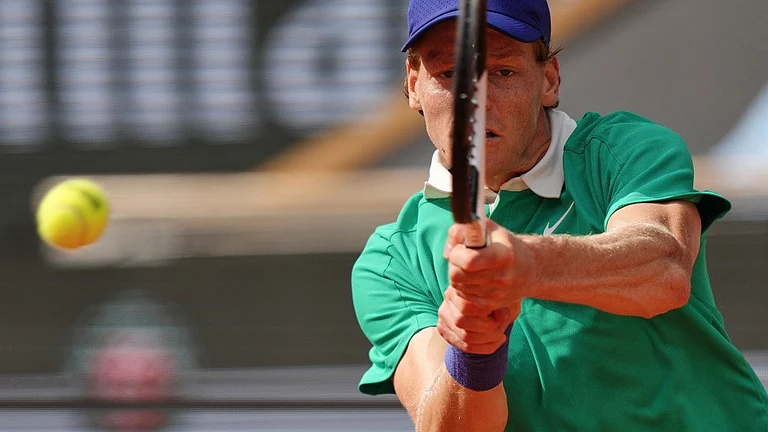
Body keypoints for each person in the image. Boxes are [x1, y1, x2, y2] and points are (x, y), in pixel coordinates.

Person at [350, 0, 768, 430]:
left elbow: (663, 268)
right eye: (449, 73)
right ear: (413, 84)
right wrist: (474, 352)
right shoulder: (390, 262)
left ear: (548, 80)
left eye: (503, 72)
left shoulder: (624, 150)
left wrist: (525, 265)